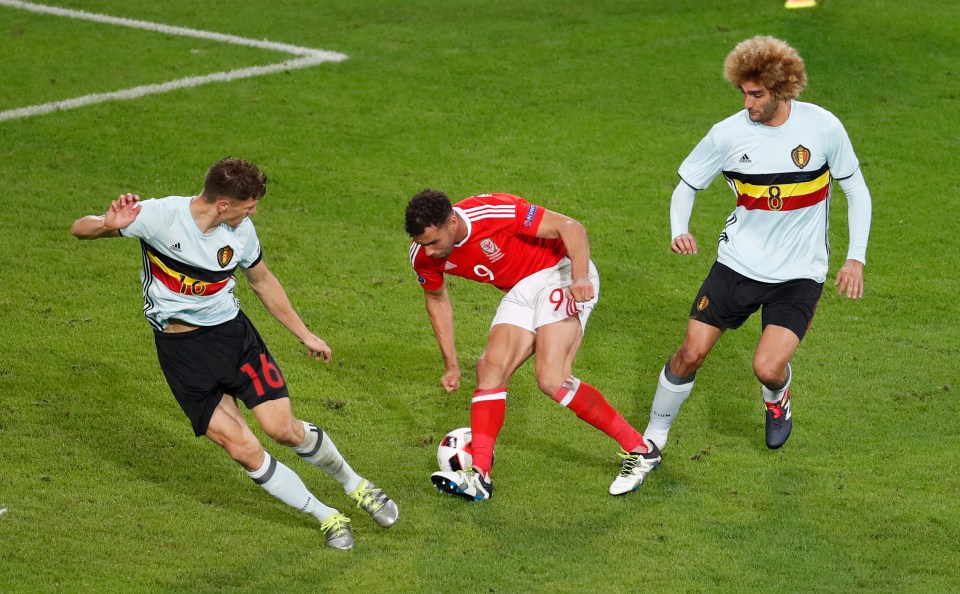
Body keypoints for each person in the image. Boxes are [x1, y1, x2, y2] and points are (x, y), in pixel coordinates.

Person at [71, 157, 398, 550]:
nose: (254, 211)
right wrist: (106, 225)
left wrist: (305, 334)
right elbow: (79, 230)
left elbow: (261, 281)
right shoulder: (160, 216)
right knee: (243, 450)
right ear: (223, 205)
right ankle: (326, 515)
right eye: (250, 204)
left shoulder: (240, 232)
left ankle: (357, 485)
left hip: (233, 338)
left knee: (283, 429)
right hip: (181, 353)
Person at [643, 36, 872, 452]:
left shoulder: (822, 127)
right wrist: (679, 228)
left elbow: (856, 190)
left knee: (767, 367)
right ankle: (653, 437)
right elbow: (687, 185)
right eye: (743, 93)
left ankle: (777, 398)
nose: (748, 103)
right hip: (737, 264)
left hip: (800, 273)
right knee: (690, 354)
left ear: (782, 88)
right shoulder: (726, 134)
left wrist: (855, 258)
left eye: (757, 94)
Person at [405, 189, 661, 501]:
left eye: (433, 242)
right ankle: (479, 477)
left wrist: (580, 278)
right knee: (489, 370)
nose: (429, 252)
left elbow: (571, 227)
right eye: (422, 244)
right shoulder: (422, 256)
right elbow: (436, 298)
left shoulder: (494, 213)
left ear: (452, 223)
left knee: (551, 379)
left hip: (561, 273)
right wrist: (451, 363)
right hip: (522, 291)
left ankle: (641, 449)